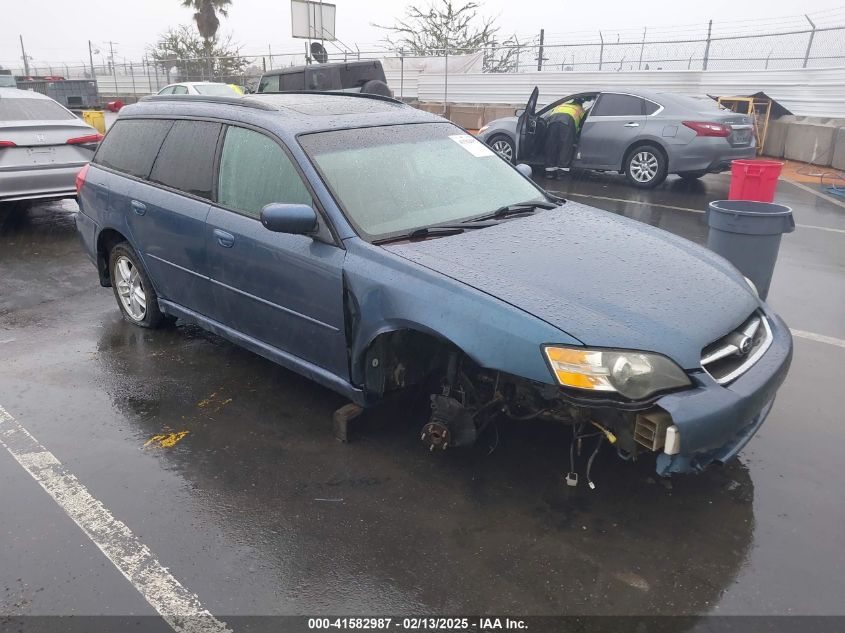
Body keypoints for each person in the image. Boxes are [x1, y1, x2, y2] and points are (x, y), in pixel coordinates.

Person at [543, 99, 586, 178]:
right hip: (567, 124)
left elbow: (546, 117)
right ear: (580, 104)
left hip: (553, 123)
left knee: (552, 145)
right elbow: (582, 124)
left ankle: (549, 172)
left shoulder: (560, 106)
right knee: (565, 147)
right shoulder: (580, 109)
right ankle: (561, 173)